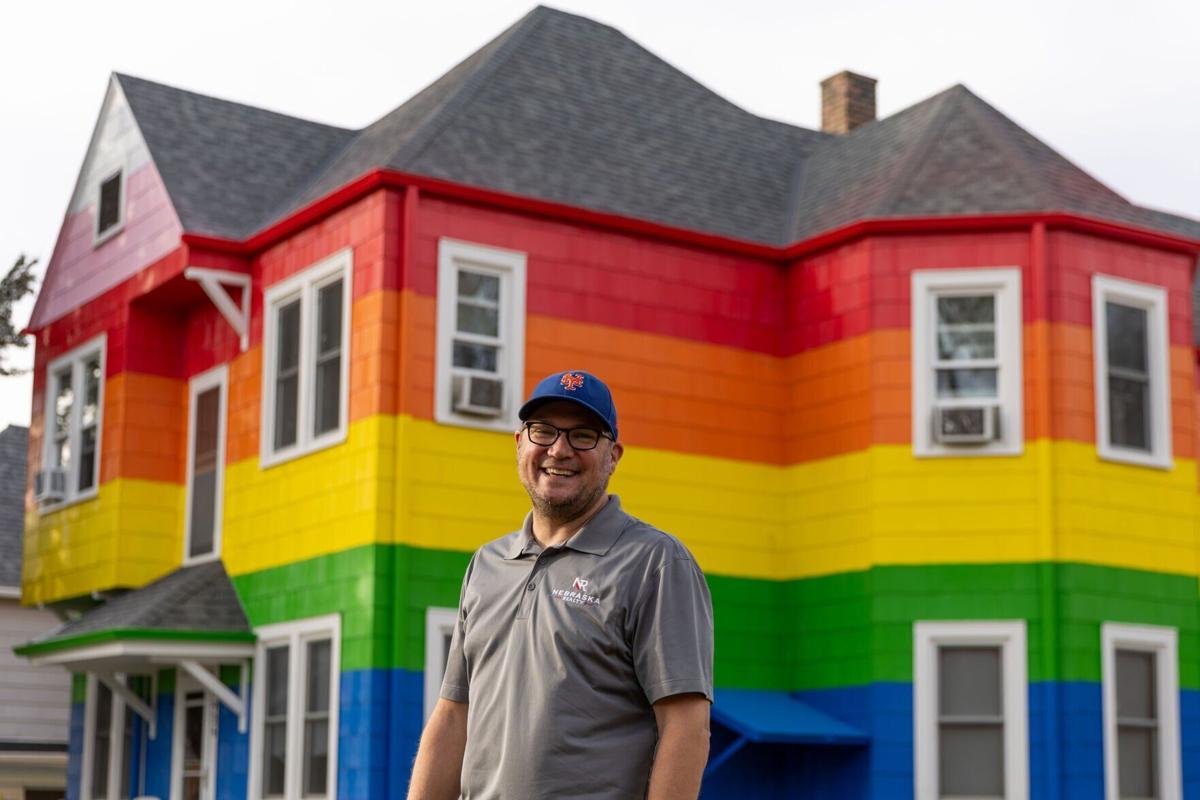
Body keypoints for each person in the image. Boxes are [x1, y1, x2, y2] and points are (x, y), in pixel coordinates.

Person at [407, 370, 714, 800]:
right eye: (544, 431)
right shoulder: (487, 564)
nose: (559, 449)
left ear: (614, 456)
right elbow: (454, 714)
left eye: (583, 435)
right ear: (520, 444)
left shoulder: (655, 563)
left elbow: (686, 726)